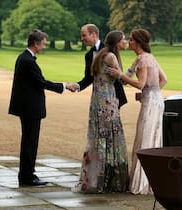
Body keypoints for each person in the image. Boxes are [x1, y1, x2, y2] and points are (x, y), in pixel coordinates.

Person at [8, 29, 74, 187]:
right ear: (36, 43)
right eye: (43, 43)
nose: (44, 46)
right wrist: (65, 85)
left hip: (27, 108)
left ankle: (27, 174)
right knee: (30, 142)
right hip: (30, 109)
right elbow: (42, 82)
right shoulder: (27, 61)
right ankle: (27, 176)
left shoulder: (24, 58)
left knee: (29, 141)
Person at [109, 29, 167, 194]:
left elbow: (140, 83)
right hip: (157, 100)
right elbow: (164, 80)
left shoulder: (143, 60)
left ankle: (141, 184)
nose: (129, 42)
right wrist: (149, 92)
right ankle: (151, 182)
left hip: (150, 104)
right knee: (153, 139)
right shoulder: (150, 57)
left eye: (132, 40)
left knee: (144, 140)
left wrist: (121, 75)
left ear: (139, 42)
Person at [72, 30, 129, 193]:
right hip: (107, 101)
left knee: (98, 138)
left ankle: (94, 177)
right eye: (123, 39)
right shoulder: (110, 56)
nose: (125, 41)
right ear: (117, 42)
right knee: (111, 138)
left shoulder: (100, 54)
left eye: (84, 35)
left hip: (97, 100)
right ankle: (109, 180)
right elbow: (121, 78)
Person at [69, 24, 127, 109]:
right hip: (98, 96)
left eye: (84, 35)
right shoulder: (88, 55)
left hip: (113, 96)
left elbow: (117, 74)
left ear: (93, 35)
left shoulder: (109, 49)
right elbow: (89, 78)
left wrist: (117, 97)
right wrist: (78, 86)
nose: (82, 38)